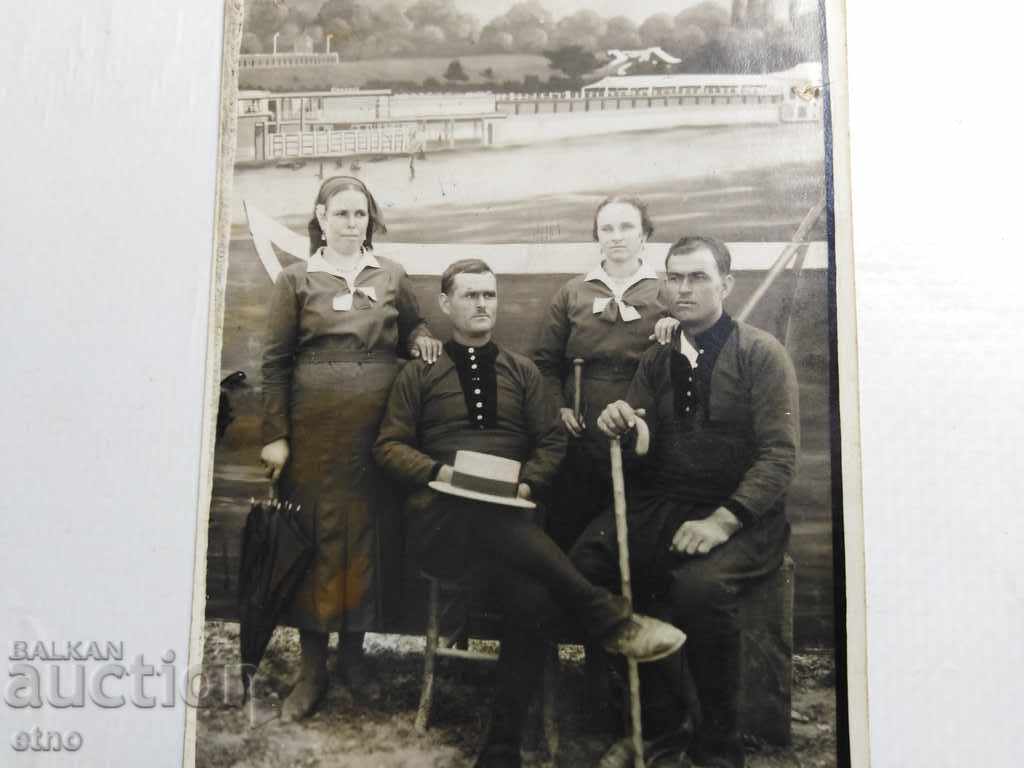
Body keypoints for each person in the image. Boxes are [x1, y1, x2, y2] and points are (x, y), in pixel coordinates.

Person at [373, 258, 685, 768]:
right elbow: (389, 447)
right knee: (479, 512)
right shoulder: (419, 373)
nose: (481, 304)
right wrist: (442, 474)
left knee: (534, 596)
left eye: (489, 295)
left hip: (512, 528)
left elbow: (550, 442)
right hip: (443, 523)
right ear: (447, 305)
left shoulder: (521, 371)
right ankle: (608, 616)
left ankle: (499, 748)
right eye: (470, 296)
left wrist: (527, 481)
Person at [574, 236, 800, 768]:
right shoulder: (657, 359)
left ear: (726, 285)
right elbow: (642, 440)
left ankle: (717, 748)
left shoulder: (761, 355)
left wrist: (723, 521)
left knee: (698, 588)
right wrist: (621, 424)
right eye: (674, 277)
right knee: (587, 564)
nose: (683, 288)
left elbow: (779, 456)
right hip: (665, 502)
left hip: (742, 516)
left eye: (698, 277)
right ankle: (654, 727)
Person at [260, 176, 443, 722]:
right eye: (340, 213)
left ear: (370, 218)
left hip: (375, 427)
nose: (350, 223)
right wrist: (275, 436)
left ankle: (355, 658)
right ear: (319, 217)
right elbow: (273, 362)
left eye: (359, 214)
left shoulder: (390, 274)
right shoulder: (296, 279)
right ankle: (311, 668)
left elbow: (415, 326)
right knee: (315, 539)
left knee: (366, 537)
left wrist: (420, 338)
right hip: (314, 430)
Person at [533, 195, 674, 550]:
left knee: (633, 533)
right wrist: (559, 408)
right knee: (571, 524)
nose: (616, 236)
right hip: (581, 429)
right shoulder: (573, 293)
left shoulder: (667, 293)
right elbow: (546, 363)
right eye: (606, 228)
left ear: (644, 235)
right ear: (597, 236)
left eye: (627, 227)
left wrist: (677, 327)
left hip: (642, 425)